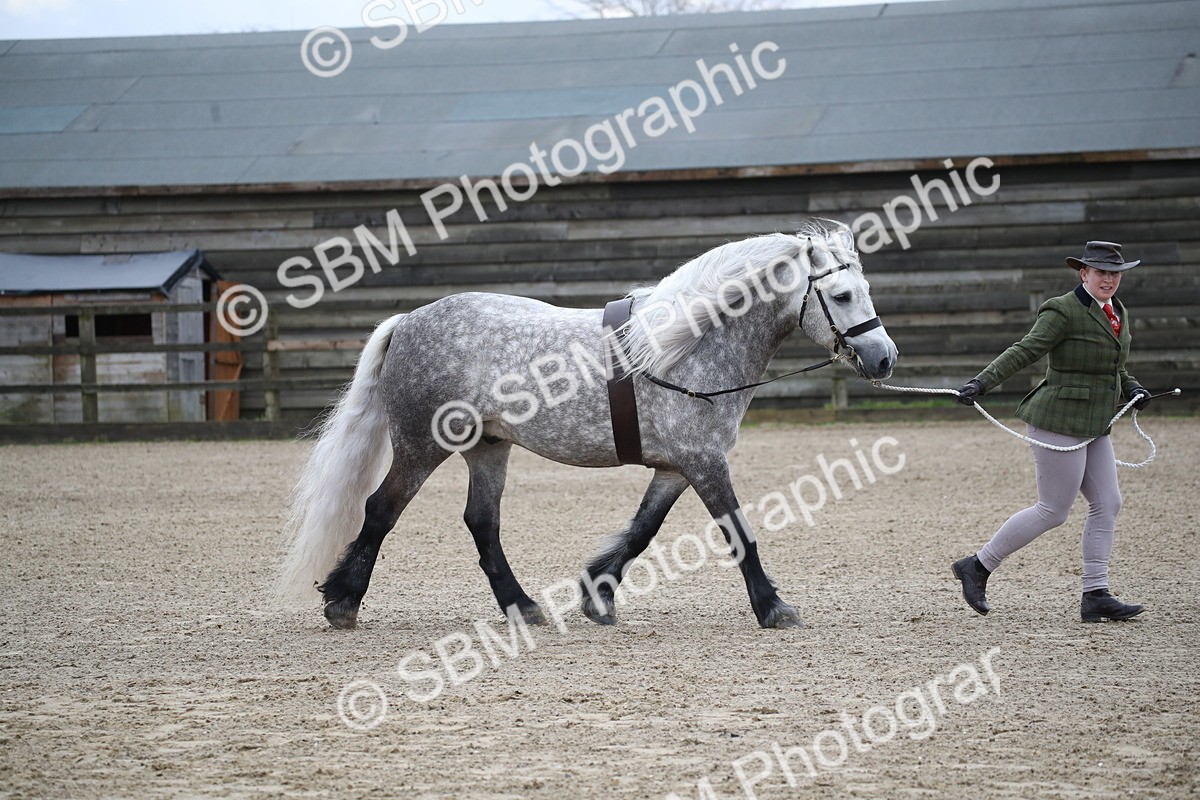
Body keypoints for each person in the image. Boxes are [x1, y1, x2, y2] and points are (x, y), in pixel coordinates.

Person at [951, 241, 1153, 623]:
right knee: (1053, 510)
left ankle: (1095, 594)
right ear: (1084, 274)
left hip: (1096, 423)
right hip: (1058, 418)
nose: (1109, 279)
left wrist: (1133, 388)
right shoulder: (1062, 310)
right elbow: (1025, 349)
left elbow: (1114, 365)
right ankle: (977, 566)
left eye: (1114, 273)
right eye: (1101, 272)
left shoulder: (1117, 311)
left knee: (1108, 503)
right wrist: (982, 382)